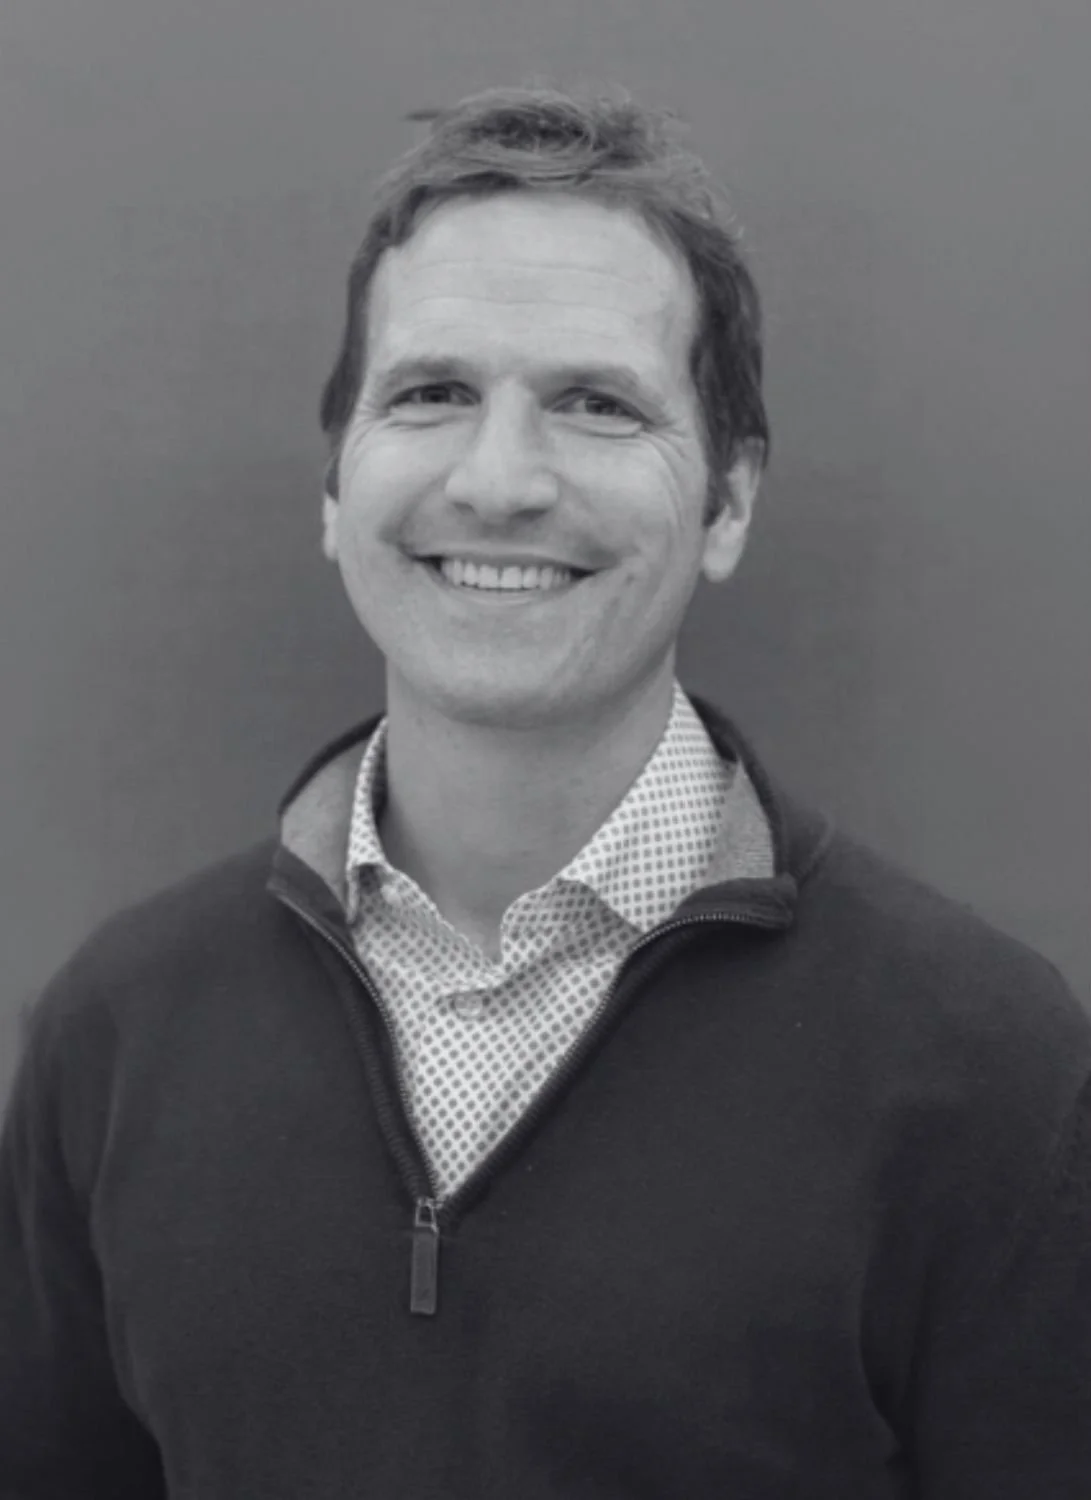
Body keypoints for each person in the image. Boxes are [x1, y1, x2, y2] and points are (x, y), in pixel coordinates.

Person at [2, 85, 1089, 1500]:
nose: (499, 479)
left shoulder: (991, 1073)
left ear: (730, 503)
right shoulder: (117, 1032)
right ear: (337, 487)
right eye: (431, 394)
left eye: (593, 404)